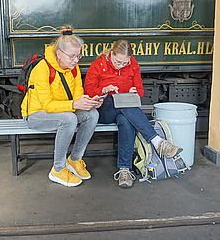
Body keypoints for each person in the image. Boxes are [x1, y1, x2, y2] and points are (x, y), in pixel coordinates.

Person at [84, 39, 183, 188]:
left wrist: (134, 92)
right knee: (123, 107)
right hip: (103, 109)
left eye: (125, 63)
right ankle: (158, 142)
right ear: (111, 54)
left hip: (125, 109)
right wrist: (103, 90)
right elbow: (88, 91)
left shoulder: (133, 65)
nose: (122, 65)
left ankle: (124, 170)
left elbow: (140, 90)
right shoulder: (97, 66)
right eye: (118, 62)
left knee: (125, 120)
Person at [21, 25, 103, 187]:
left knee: (92, 114)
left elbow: (77, 94)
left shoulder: (74, 68)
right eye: (72, 56)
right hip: (36, 114)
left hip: (62, 110)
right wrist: (74, 104)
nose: (76, 60)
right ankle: (58, 169)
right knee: (69, 119)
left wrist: (88, 102)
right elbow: (47, 105)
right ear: (59, 54)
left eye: (79, 56)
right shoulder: (42, 69)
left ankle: (74, 160)